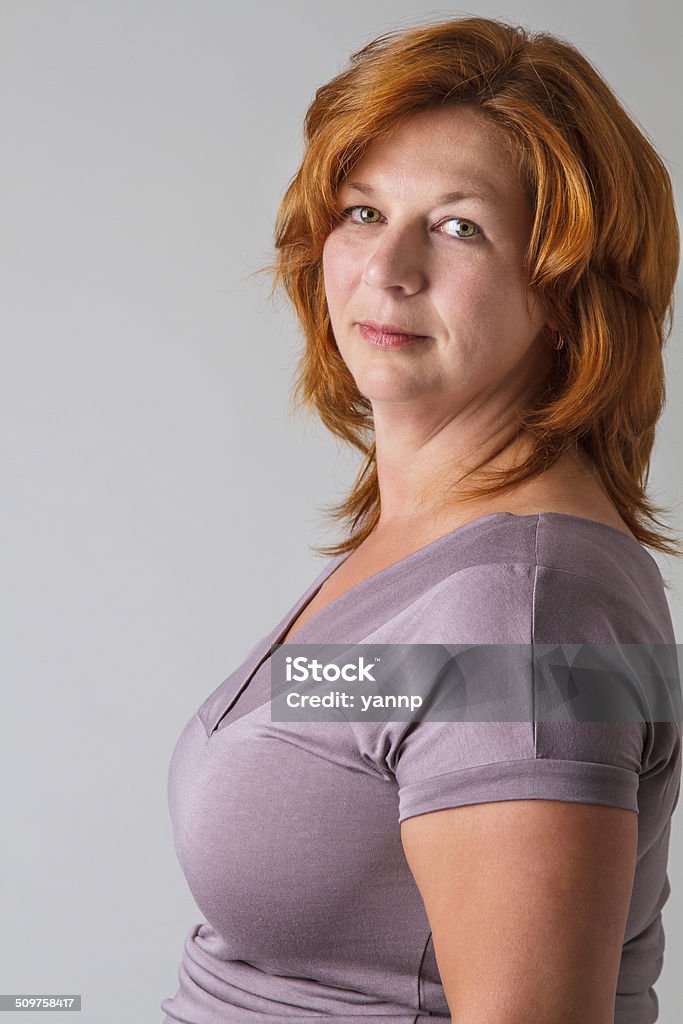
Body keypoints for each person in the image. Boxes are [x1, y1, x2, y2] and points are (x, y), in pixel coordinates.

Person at [161, 15, 682, 1024]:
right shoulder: (438, 558)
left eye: (457, 226)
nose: (387, 267)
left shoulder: (521, 611)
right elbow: (375, 738)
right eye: (361, 212)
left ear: (569, 291)